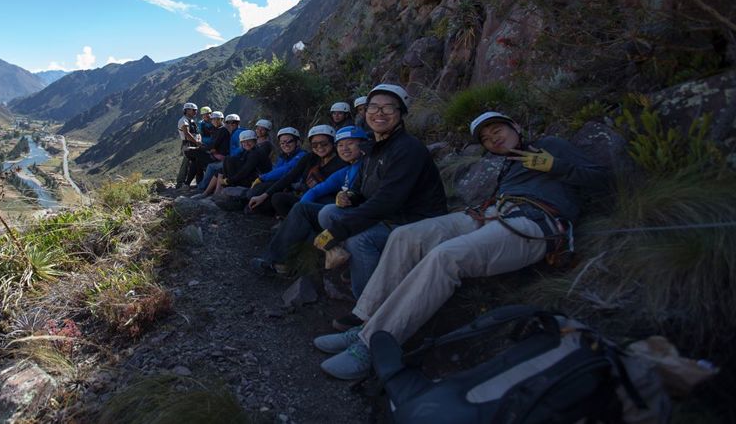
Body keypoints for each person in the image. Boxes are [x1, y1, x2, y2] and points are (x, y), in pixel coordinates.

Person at [313, 111, 611, 381]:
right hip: (490, 214)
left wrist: (555, 166)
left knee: (445, 257)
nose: (492, 138)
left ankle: (374, 345)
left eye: (497, 129)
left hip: (535, 222)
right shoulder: (509, 167)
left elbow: (604, 179)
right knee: (404, 236)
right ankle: (366, 320)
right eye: (485, 137)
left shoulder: (551, 145)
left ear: (517, 126)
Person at [313, 84, 447, 309]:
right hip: (390, 216)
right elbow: (363, 191)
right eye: (373, 107)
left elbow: (387, 201)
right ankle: (359, 269)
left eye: (388, 108)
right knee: (329, 212)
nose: (379, 113)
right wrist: (351, 198)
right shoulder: (372, 148)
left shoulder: (407, 149)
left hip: (415, 221)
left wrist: (337, 232)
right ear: (364, 113)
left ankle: (368, 310)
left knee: (359, 238)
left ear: (401, 113)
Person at [250, 125, 368, 276]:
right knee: (289, 203)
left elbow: (367, 196)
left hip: (344, 211)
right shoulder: (346, 169)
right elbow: (312, 186)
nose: (344, 148)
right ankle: (288, 249)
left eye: (324, 144)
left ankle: (276, 261)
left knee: (306, 209)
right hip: (330, 208)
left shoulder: (360, 166)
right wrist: (301, 205)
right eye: (341, 145)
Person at [246, 124, 346, 218]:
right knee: (274, 199)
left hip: (324, 200)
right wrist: (263, 196)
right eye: (315, 144)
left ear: (333, 143)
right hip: (304, 195)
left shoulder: (341, 163)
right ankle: (289, 219)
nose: (319, 147)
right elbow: (290, 176)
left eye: (324, 143)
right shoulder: (310, 157)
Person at [247, 127, 306, 202]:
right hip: (280, 185)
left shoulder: (302, 155)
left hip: (292, 188)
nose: (285, 145)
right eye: (282, 143)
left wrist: (262, 178)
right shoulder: (283, 157)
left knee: (256, 191)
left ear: (297, 142)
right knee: (257, 190)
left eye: (289, 141)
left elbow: (286, 170)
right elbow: (275, 170)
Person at [196, 114, 244, 194]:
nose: (231, 125)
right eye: (228, 123)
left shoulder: (238, 133)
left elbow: (242, 148)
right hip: (231, 159)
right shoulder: (233, 132)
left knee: (212, 166)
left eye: (233, 123)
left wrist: (229, 157)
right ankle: (204, 188)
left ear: (238, 123)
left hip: (234, 161)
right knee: (213, 166)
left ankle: (202, 188)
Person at [176, 102, 200, 189]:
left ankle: (195, 181)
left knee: (194, 162)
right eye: (193, 110)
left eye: (196, 110)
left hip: (193, 142)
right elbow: (187, 134)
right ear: (187, 110)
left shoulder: (191, 120)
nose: (195, 112)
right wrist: (197, 142)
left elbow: (196, 133)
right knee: (186, 163)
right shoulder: (183, 121)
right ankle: (180, 183)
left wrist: (198, 140)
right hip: (187, 144)